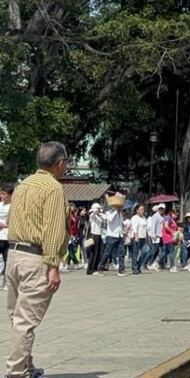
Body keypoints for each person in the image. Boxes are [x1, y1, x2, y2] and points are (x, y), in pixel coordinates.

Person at [6, 142, 68, 378]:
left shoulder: (22, 185)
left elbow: (12, 219)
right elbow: (53, 229)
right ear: (60, 163)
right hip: (35, 258)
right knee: (26, 321)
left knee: (17, 317)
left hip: (14, 255)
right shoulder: (53, 188)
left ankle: (25, 366)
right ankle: (15, 373)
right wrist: (53, 265)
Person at [102, 198, 126, 276]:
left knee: (121, 253)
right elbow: (110, 220)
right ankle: (100, 267)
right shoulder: (109, 212)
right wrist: (116, 211)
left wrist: (123, 233)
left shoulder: (121, 214)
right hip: (111, 235)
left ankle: (121, 270)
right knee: (107, 253)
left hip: (119, 235)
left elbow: (120, 225)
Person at [84, 202, 105, 275]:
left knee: (99, 253)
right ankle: (91, 269)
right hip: (94, 235)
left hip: (99, 235)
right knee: (94, 253)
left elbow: (105, 218)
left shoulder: (99, 216)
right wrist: (97, 210)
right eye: (98, 209)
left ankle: (95, 268)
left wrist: (101, 212)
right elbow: (94, 213)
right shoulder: (92, 216)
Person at [0, 185, 14, 281]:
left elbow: (17, 222)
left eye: (3, 194)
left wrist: (5, 226)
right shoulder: (0, 205)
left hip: (7, 237)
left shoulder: (13, 207)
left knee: (7, 260)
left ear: (10, 195)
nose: (1, 196)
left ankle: (6, 281)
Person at [147, 204, 165, 271]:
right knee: (154, 251)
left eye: (162, 209)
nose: (161, 210)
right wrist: (153, 235)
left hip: (161, 235)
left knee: (162, 251)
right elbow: (153, 226)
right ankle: (148, 263)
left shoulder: (162, 216)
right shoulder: (155, 216)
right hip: (156, 236)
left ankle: (154, 263)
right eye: (160, 208)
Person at [65, 204, 80, 269]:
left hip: (74, 234)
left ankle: (68, 264)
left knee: (71, 250)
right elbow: (68, 226)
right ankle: (75, 263)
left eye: (74, 207)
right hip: (69, 234)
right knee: (71, 250)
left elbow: (75, 226)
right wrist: (69, 234)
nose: (74, 208)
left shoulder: (74, 215)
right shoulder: (68, 215)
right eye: (72, 207)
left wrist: (76, 234)